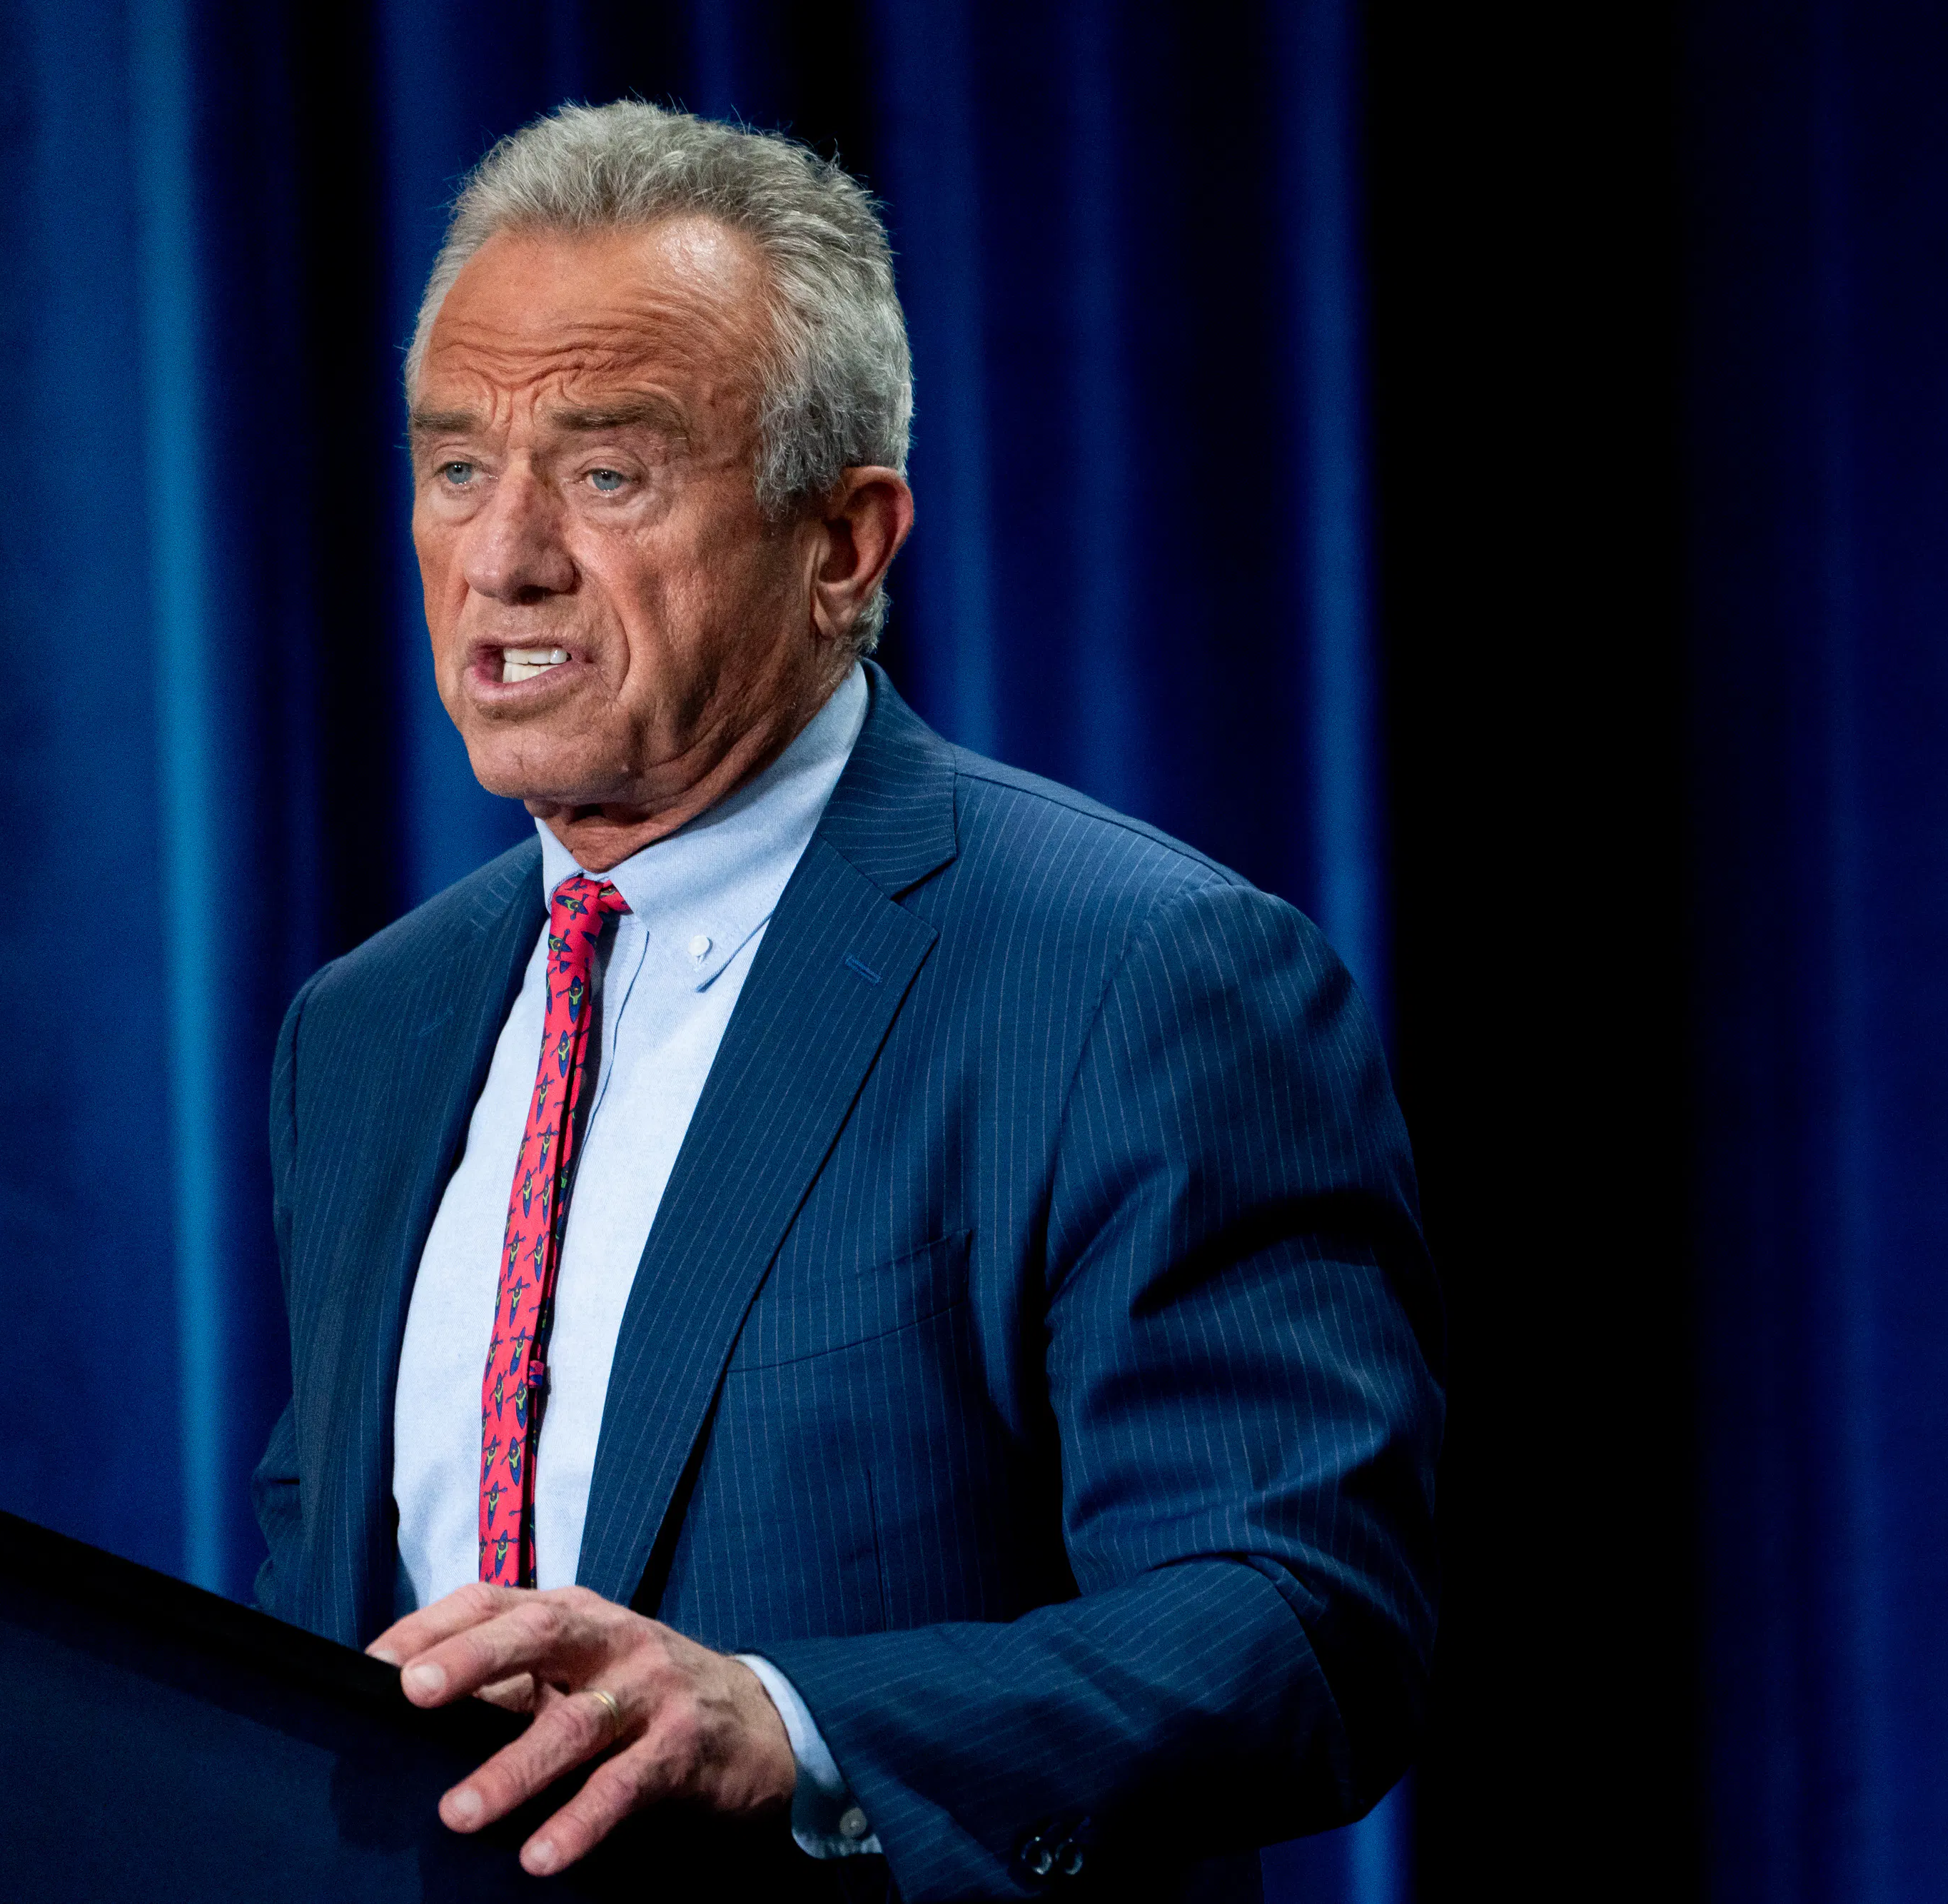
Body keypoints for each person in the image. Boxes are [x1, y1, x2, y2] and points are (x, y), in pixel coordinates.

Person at [248, 101, 1441, 1902]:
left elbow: (1297, 1625)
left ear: (844, 542)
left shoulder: (1139, 973)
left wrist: (788, 1721)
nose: (505, 560)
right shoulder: (365, 1029)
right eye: (455, 469)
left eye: (610, 469)